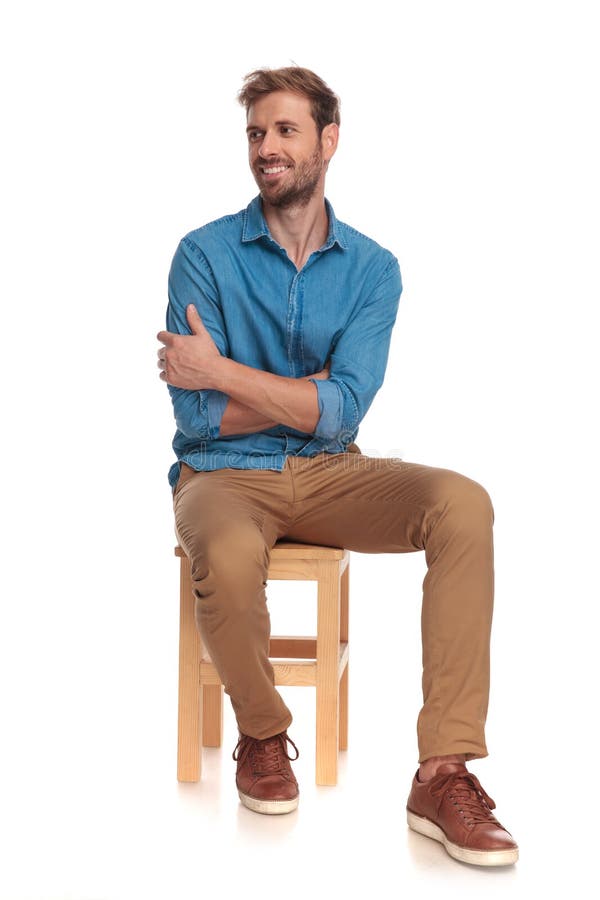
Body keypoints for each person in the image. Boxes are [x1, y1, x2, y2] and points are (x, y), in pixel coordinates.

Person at [157, 66, 518, 867]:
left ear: (328, 140)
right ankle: (262, 732)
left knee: (463, 503)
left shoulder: (372, 270)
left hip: (330, 471)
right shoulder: (203, 254)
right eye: (256, 133)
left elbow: (345, 412)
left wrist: (220, 371)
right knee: (223, 549)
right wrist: (294, 396)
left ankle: (443, 770)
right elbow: (198, 417)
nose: (267, 149)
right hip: (220, 473)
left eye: (285, 131)